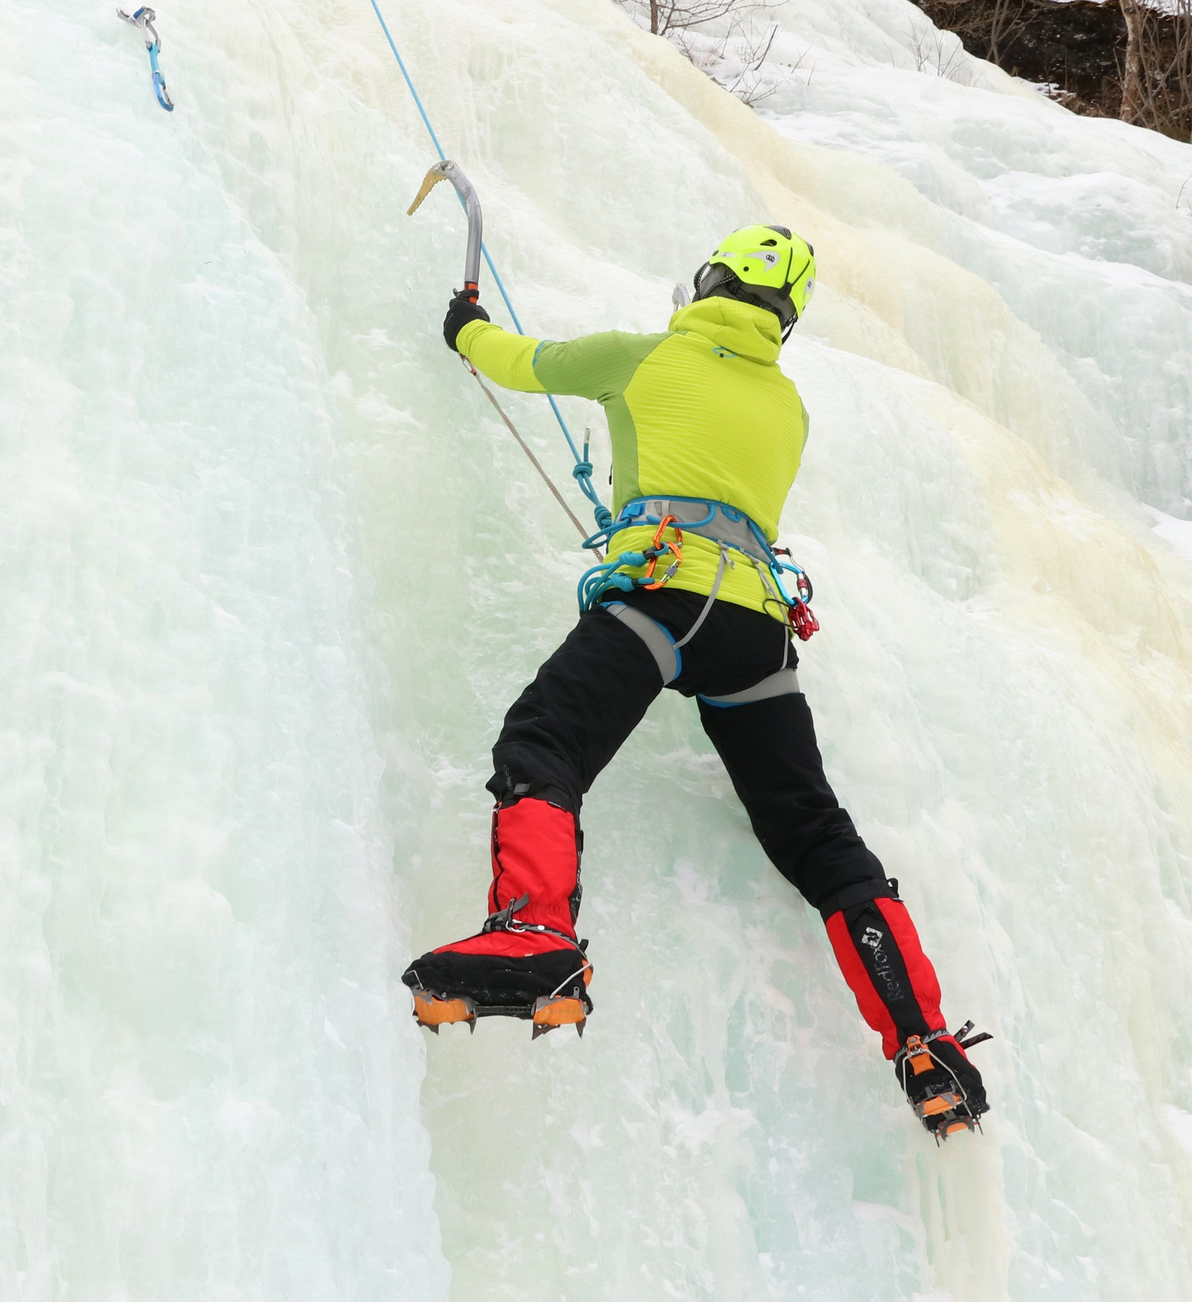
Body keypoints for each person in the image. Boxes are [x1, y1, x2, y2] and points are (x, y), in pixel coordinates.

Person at [399, 225, 990, 1137]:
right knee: (817, 836)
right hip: (754, 632)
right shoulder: (788, 407)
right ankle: (925, 1044)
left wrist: (465, 324)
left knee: (543, 741)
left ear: (710, 278)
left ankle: (535, 933)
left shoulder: (644, 357)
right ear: (784, 321)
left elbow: (520, 361)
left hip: (662, 604)